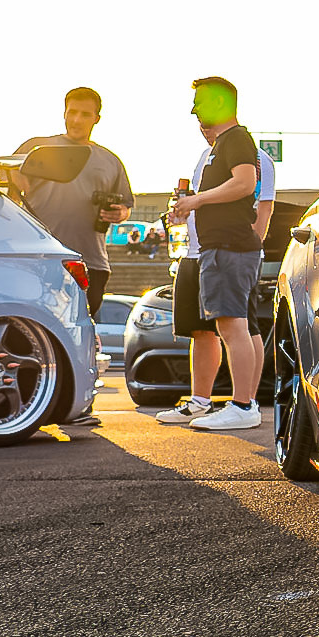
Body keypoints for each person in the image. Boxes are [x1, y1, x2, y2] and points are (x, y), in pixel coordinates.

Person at [159, 129, 276, 425]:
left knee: (241, 325)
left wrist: (251, 245)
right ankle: (200, 401)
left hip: (233, 250)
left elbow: (264, 207)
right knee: (202, 330)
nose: (204, 127)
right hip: (197, 251)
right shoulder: (207, 155)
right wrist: (183, 212)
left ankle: (245, 403)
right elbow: (200, 201)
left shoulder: (257, 158)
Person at [15, 87, 134, 315]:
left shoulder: (111, 161)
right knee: (33, 326)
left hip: (90, 262)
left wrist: (120, 213)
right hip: (38, 258)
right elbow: (3, 184)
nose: (77, 120)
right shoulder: (36, 148)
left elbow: (126, 207)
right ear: (64, 113)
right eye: (72, 112)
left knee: (82, 328)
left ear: (97, 118)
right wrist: (13, 179)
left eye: (85, 114)